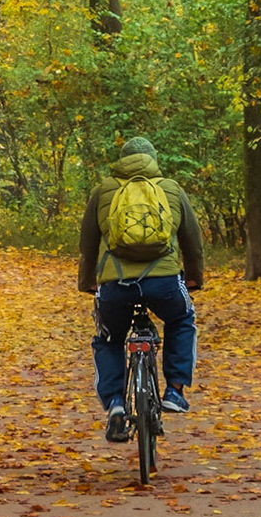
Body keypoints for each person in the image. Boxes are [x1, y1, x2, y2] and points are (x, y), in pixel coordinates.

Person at [78, 136, 204, 443]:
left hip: (115, 285)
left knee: (108, 338)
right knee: (181, 319)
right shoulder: (171, 188)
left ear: (121, 159)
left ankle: (115, 405)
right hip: (164, 282)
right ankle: (174, 390)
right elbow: (192, 239)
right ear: (153, 159)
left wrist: (88, 281)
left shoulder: (104, 190)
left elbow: (88, 243)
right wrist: (194, 278)